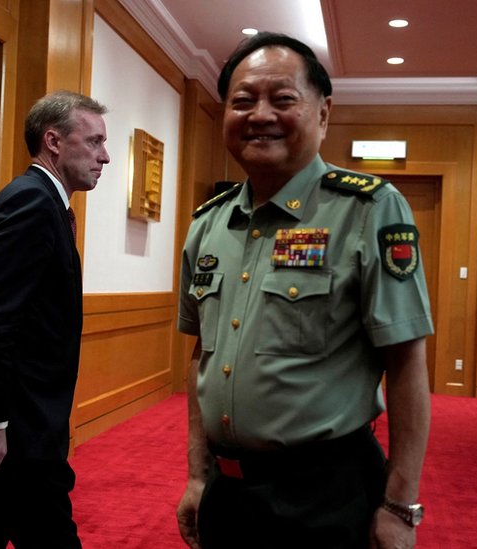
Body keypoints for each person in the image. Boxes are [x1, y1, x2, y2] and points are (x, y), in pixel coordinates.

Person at [175, 32, 433, 549]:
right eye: (242, 101)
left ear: (323, 113)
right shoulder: (209, 224)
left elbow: (404, 361)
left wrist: (400, 505)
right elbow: (203, 357)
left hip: (326, 497)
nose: (260, 114)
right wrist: (199, 475)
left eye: (283, 99)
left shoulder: (368, 210)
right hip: (229, 491)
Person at [0, 90, 110, 548]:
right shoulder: (31, 204)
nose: (104, 156)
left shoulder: (42, 202)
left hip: (19, 427)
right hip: (15, 432)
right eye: (93, 142)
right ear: (53, 141)